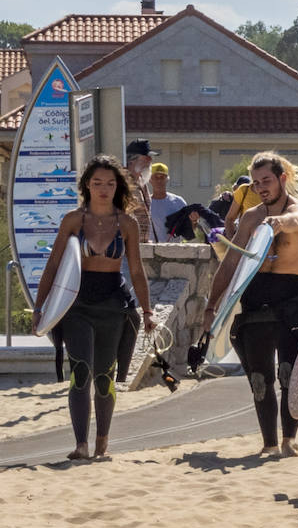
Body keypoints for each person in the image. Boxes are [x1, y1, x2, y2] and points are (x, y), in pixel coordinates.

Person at [33, 156, 155, 460]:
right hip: (77, 301)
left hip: (113, 302)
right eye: (97, 182)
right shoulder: (74, 219)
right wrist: (40, 306)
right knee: (81, 371)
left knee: (104, 376)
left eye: (110, 183)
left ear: (118, 187)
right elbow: (54, 263)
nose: (103, 188)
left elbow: (137, 271)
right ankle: (80, 444)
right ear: (87, 184)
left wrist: (148, 310)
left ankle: (102, 439)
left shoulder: (126, 223)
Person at [201, 152, 298, 458]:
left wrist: (276, 223)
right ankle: (268, 443)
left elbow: (296, 221)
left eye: (266, 180)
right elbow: (230, 264)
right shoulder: (251, 217)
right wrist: (211, 306)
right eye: (256, 182)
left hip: (292, 303)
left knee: (289, 374)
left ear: (282, 179)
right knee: (259, 380)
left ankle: (290, 439)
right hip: (254, 304)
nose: (261, 187)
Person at [124, 139, 156, 242]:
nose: (150, 160)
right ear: (131, 160)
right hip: (126, 245)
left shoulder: (142, 181)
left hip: (141, 246)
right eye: (146, 158)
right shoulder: (122, 182)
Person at [147, 162, 187, 243]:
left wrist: (193, 221)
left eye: (162, 177)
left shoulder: (179, 202)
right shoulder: (145, 203)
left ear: (167, 179)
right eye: (155, 177)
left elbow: (188, 229)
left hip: (174, 252)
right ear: (150, 180)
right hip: (151, 252)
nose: (159, 180)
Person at [223, 173, 263, 239]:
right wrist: (233, 242)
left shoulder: (276, 193)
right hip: (245, 242)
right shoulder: (244, 190)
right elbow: (229, 219)